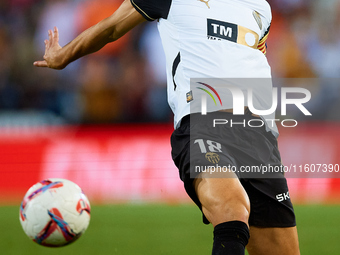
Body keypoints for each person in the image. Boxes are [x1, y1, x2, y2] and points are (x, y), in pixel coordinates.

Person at [34, 0, 301, 254]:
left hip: (259, 135)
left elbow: (252, 60)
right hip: (203, 123)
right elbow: (113, 27)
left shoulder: (260, 7)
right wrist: (63, 55)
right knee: (231, 209)